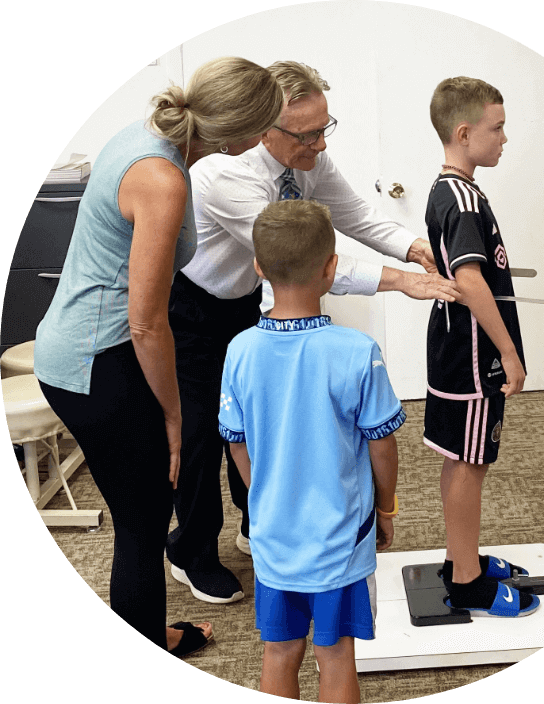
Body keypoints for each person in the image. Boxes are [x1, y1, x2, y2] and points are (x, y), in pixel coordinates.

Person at [165, 60, 457, 604]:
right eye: (307, 134)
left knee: (258, 421)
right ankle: (191, 552)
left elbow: (354, 216)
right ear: (263, 131)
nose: (320, 144)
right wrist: (402, 283)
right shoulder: (224, 174)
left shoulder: (305, 155)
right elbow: (299, 260)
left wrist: (412, 247)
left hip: (243, 300)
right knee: (208, 431)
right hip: (193, 310)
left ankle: (255, 526)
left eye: (326, 128)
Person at [33, 57, 284, 654]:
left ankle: (148, 627)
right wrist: (173, 415)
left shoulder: (151, 134)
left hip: (86, 344)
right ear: (240, 135)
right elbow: (147, 322)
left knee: (142, 509)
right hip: (95, 358)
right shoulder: (163, 179)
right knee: (143, 523)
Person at [218, 198, 403, 702]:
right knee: (336, 653)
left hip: (274, 538)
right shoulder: (357, 351)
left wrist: (264, 496)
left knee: (278, 652)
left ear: (258, 268)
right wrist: (385, 508)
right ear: (331, 268)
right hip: (340, 538)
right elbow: (382, 446)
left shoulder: (238, 351)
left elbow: (235, 443)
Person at [423, 77, 540, 617]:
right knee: (470, 460)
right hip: (471, 353)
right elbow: (470, 282)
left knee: (464, 456)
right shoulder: (464, 199)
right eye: (497, 128)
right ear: (464, 133)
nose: (504, 139)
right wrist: (509, 353)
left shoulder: (452, 190)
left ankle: (460, 557)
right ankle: (466, 579)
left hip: (457, 345)